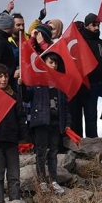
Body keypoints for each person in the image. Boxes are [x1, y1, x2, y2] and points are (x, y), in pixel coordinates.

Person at [22, 51, 70, 194]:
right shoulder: (36, 80)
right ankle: (42, 181)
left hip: (56, 122)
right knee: (41, 152)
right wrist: (22, 85)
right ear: (43, 63)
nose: (54, 65)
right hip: (41, 122)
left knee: (53, 152)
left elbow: (65, 106)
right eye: (51, 62)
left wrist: (67, 122)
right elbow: (26, 97)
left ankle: (53, 180)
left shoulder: (60, 82)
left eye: (55, 63)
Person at [0, 63, 29, 203]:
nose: (3, 79)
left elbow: (21, 118)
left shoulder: (14, 97)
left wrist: (24, 139)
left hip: (11, 141)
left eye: (5, 76)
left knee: (14, 177)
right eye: (0, 76)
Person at [73, 14, 102, 138]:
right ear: (87, 26)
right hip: (89, 84)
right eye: (93, 25)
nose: (97, 28)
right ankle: (92, 141)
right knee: (90, 114)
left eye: (98, 25)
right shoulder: (81, 42)